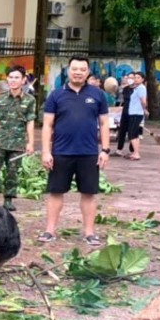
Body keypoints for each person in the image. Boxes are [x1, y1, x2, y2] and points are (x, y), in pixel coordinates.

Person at [39, 56, 110, 246]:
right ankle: (49, 231)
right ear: (68, 70)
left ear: (87, 72)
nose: (78, 72)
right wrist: (46, 151)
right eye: (74, 68)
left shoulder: (98, 95)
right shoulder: (56, 95)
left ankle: (89, 233)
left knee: (89, 193)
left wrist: (105, 150)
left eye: (82, 69)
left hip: (88, 153)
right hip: (61, 152)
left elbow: (104, 123)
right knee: (55, 192)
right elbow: (47, 125)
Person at [0, 66, 36, 211]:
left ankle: (8, 200)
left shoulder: (30, 100)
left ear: (23, 80)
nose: (13, 80)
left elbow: (30, 122)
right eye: (10, 77)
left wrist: (30, 143)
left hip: (17, 143)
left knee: (12, 172)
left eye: (16, 77)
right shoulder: (0, 97)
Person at [123, 72, 148, 160]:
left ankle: (136, 153)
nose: (136, 79)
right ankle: (135, 152)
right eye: (135, 77)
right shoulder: (137, 88)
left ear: (142, 79)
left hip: (136, 114)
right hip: (134, 113)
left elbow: (143, 101)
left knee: (132, 134)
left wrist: (144, 109)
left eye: (138, 77)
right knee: (135, 134)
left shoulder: (141, 88)